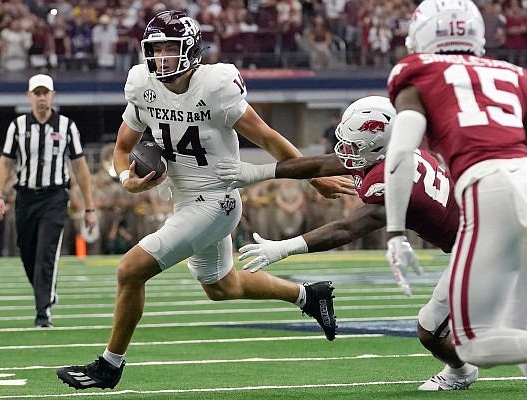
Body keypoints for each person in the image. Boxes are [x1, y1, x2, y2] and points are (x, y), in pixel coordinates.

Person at [56, 10, 355, 390]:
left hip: (217, 201)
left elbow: (269, 139)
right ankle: (308, 296)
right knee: (222, 287)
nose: (160, 57)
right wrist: (125, 179)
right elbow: (121, 148)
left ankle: (109, 366)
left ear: (191, 50)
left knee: (130, 270)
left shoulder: (215, 87)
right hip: (184, 201)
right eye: (155, 49)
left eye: (168, 48)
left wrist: (315, 179)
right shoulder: (143, 86)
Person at [214, 95, 527, 391]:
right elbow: (324, 163)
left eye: (354, 146)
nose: (345, 152)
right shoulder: (392, 152)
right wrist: (259, 172)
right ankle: (462, 370)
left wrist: (283, 247)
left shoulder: (389, 176)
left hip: (486, 244)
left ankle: (461, 372)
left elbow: (349, 229)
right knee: (456, 322)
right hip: (486, 231)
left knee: (452, 326)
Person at [383, 0, 527, 398]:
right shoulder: (513, 73)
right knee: (523, 330)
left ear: (423, 32)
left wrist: (396, 231)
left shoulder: (418, 72)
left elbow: (400, 155)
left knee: (473, 344)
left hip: (488, 184)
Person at [0, 73, 97, 328]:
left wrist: (89, 207)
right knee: (27, 253)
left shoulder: (66, 126)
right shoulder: (17, 126)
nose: (41, 98)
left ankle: (42, 313)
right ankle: (46, 293)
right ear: (29, 96)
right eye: (36, 93)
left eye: (45, 93)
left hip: (55, 196)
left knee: (46, 253)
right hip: (25, 196)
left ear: (53, 95)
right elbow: (5, 162)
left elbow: (80, 167)